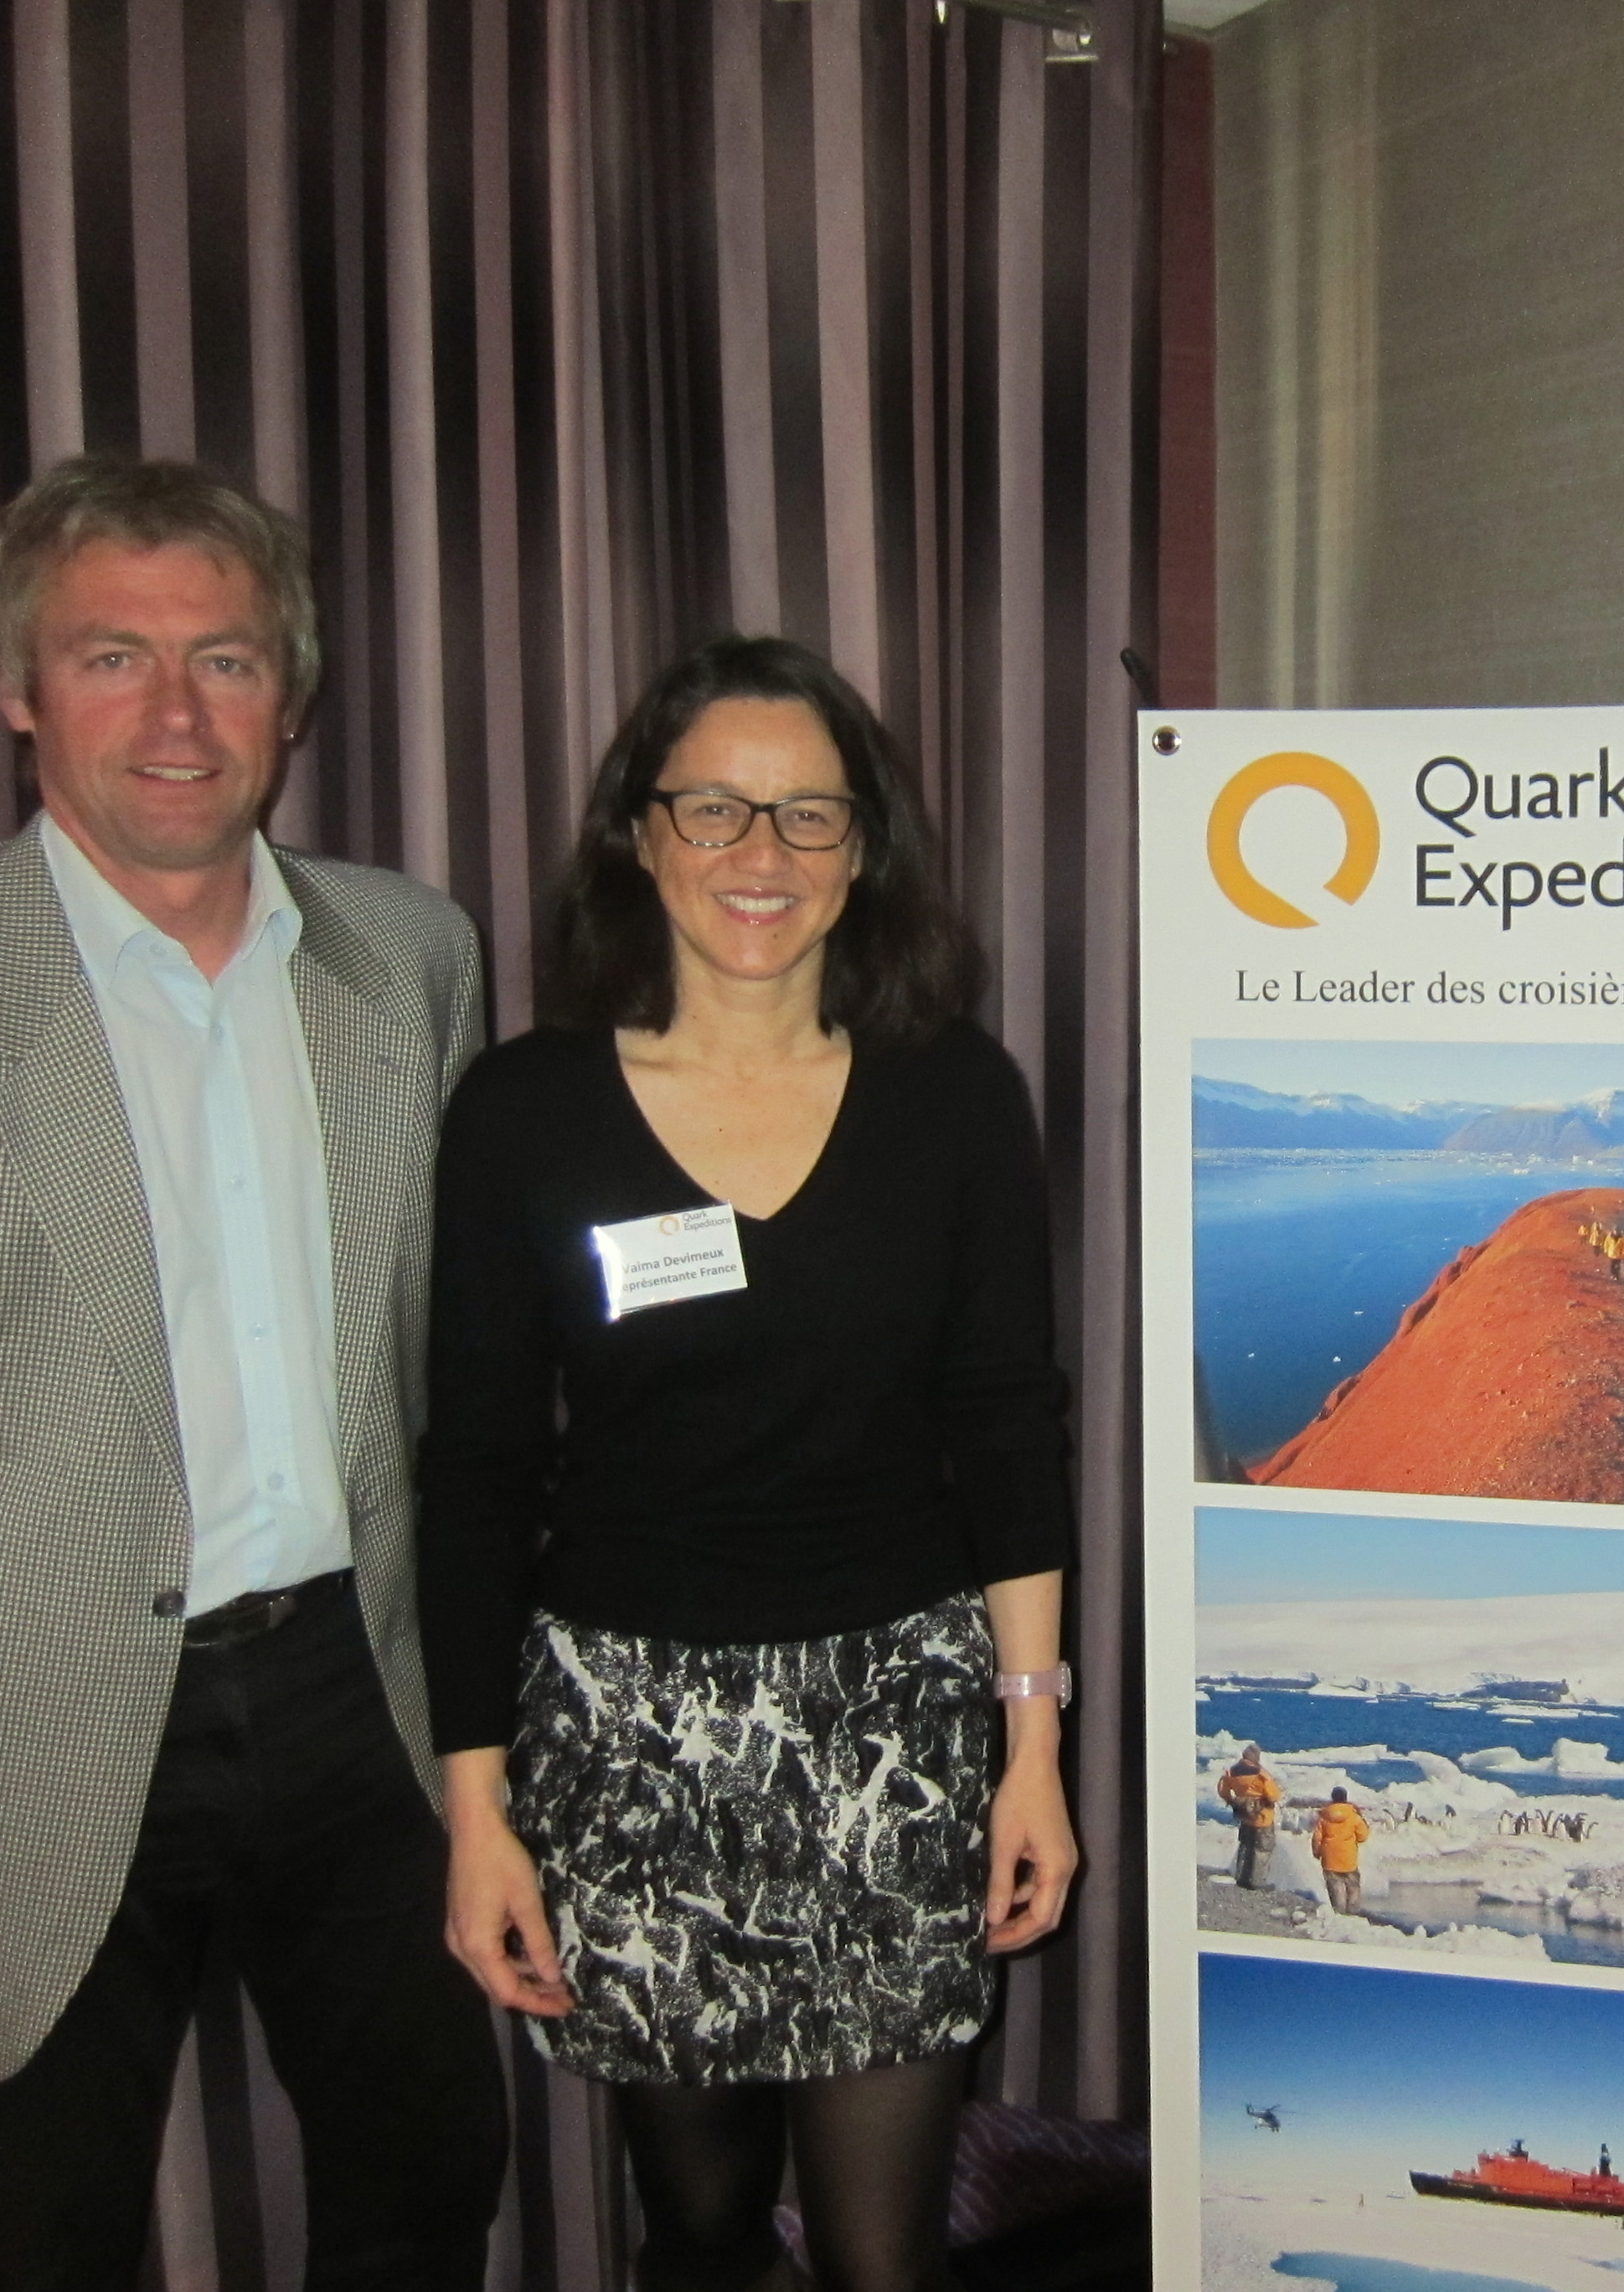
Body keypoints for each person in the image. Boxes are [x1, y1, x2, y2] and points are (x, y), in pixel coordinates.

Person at [0, 454, 508, 2286]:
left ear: (290, 694)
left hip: (360, 1690)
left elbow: (441, 1337)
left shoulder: (411, 952)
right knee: (38, 2235)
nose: (178, 716)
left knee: (425, 2184)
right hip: (30, 1712)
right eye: (114, 657)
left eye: (225, 660)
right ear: (19, 688)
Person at [416, 634, 1078, 2292]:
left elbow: (1008, 1422)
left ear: (864, 854)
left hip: (896, 1740)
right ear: (639, 838)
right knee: (701, 2234)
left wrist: (1032, 1749)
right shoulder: (522, 1111)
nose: (758, 855)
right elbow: (478, 1473)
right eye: (712, 808)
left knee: (879, 2261)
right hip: (630, 1744)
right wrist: (477, 1816)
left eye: (807, 815)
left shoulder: (955, 1096)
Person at [1219, 1744, 1283, 1888]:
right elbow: (1274, 1796)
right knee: (1262, 1849)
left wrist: (1233, 1801)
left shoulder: (1232, 1772)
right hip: (1263, 1817)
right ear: (1256, 1757)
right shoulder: (1261, 1775)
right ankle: (1257, 1882)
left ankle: (1242, 1879)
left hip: (1245, 1816)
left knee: (1245, 1847)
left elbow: (1223, 1790)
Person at [1312, 1786, 1373, 1915]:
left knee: (1335, 1888)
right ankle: (1353, 1913)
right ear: (1345, 1798)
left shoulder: (1324, 1817)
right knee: (1353, 1887)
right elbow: (1363, 1836)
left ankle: (1339, 1914)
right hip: (1348, 1859)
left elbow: (1317, 1838)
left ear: (1333, 1798)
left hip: (1329, 1859)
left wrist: (1317, 1853)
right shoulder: (1353, 1816)